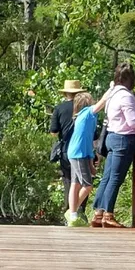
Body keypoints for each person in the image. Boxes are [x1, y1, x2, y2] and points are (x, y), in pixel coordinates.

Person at [90, 63, 135, 228]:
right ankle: (108, 213)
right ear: (131, 79)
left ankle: (98, 213)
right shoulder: (126, 96)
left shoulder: (112, 94)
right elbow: (133, 122)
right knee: (115, 178)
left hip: (111, 137)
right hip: (123, 139)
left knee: (107, 177)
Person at [49, 81, 85, 212]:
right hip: (82, 149)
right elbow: (94, 134)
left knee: (68, 181)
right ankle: (80, 210)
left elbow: (54, 131)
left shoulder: (59, 108)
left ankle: (68, 211)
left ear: (65, 93)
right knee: (83, 180)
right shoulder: (84, 109)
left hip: (66, 150)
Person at [64, 90, 98, 226]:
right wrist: (112, 89)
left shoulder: (86, 118)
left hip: (80, 153)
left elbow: (88, 141)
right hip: (78, 154)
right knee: (88, 185)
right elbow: (100, 104)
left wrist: (91, 163)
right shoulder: (86, 114)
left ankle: (72, 212)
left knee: (75, 184)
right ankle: (72, 212)